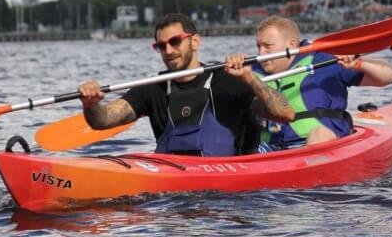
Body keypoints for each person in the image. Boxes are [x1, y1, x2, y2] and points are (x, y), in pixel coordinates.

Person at [78, 13, 294, 156]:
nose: (169, 51)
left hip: (230, 198)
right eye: (161, 46)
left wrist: (249, 78)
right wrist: (91, 104)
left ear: (195, 41)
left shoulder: (228, 80)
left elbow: (284, 114)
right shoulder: (154, 87)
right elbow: (103, 120)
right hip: (175, 198)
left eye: (175, 41)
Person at [253, 16, 392, 151]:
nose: (260, 53)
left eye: (267, 46)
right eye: (258, 46)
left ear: (291, 44)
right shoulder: (251, 73)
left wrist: (358, 63)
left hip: (322, 142)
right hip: (273, 148)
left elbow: (390, 76)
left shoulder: (324, 61)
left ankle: (305, 173)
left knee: (319, 133)